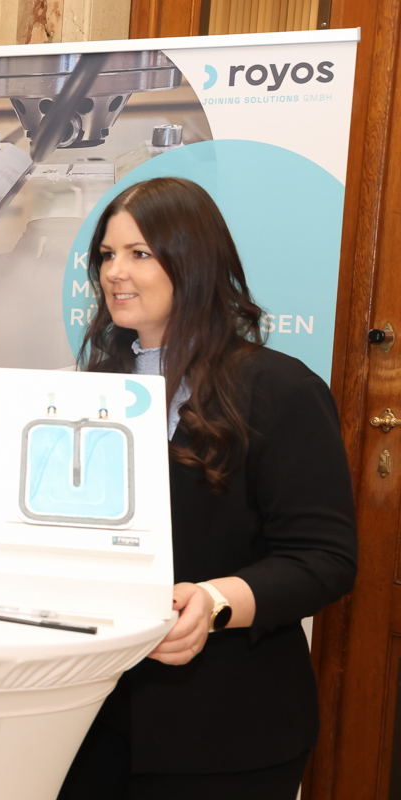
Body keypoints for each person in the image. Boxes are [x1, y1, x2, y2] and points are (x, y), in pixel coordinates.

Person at [56, 177, 357, 799]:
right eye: (107, 255)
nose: (115, 272)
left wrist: (216, 601)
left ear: (192, 262)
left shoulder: (280, 389)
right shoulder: (89, 391)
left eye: (140, 253)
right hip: (92, 720)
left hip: (230, 731)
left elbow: (323, 559)